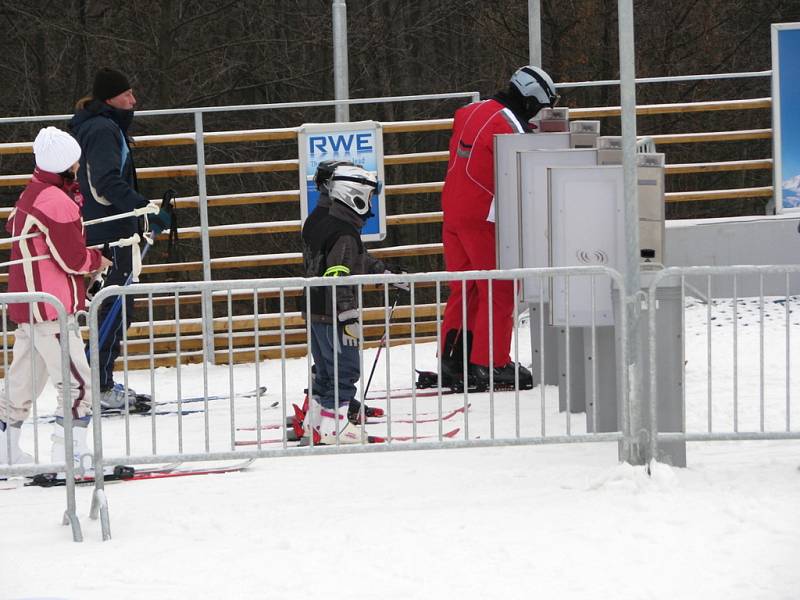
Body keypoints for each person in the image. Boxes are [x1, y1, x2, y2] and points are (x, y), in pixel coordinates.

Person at [439, 65, 560, 391]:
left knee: (466, 288)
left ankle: (453, 359)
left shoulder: (470, 111)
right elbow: (526, 157)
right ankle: (490, 362)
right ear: (532, 99)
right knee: (499, 287)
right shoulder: (508, 122)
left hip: (452, 210)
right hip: (483, 215)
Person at [0, 127, 112, 467]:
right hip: (52, 309)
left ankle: (6, 450)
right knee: (79, 385)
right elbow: (73, 259)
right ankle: (71, 453)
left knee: (21, 385)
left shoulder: (31, 194)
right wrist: (97, 259)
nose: (78, 167)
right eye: (75, 162)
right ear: (65, 165)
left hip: (29, 307)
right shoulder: (57, 202)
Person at [70, 67, 149, 410]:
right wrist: (142, 208)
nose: (133, 100)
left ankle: (96, 382)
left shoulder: (100, 125)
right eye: (127, 94)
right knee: (115, 309)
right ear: (110, 98)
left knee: (113, 308)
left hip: (105, 228)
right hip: (110, 231)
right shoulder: (103, 128)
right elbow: (105, 183)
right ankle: (96, 388)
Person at [300, 164, 386, 444]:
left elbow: (350, 257)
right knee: (345, 370)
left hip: (314, 310)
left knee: (325, 370)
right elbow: (339, 274)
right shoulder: (344, 233)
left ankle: (317, 422)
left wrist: (381, 272)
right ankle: (335, 428)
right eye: (368, 197)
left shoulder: (319, 219)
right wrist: (349, 317)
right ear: (354, 195)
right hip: (334, 313)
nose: (370, 205)